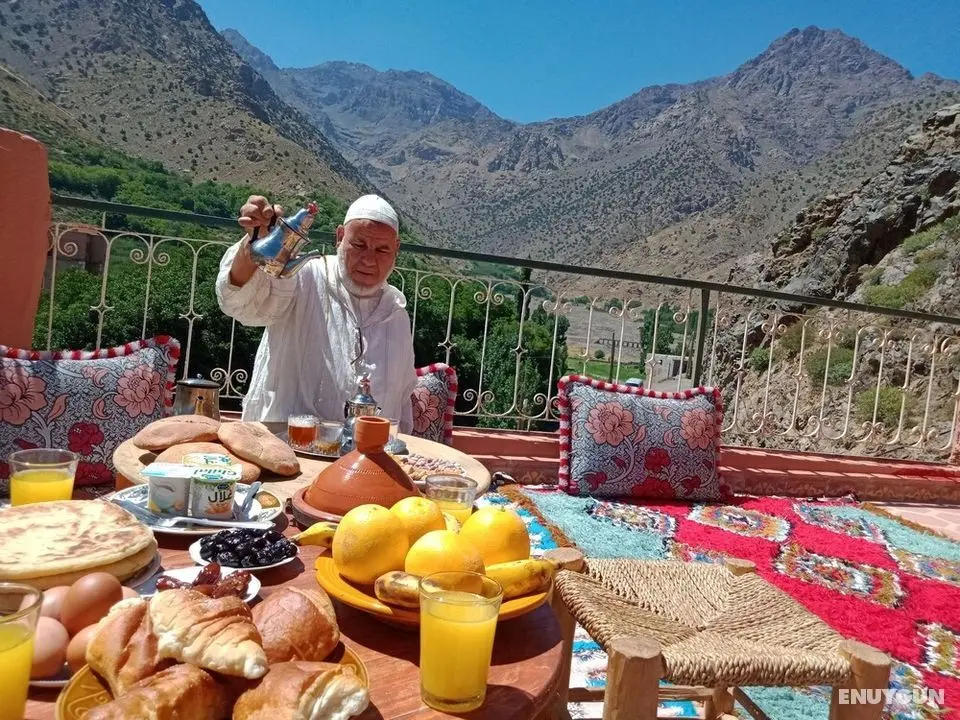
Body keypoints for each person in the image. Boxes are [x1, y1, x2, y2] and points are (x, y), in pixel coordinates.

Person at [215, 194, 416, 431]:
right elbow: (241, 304)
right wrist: (253, 248)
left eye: (382, 250)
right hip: (284, 445)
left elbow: (401, 402)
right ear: (340, 237)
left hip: (367, 453)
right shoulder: (304, 277)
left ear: (396, 249)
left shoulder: (396, 312)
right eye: (359, 245)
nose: (369, 260)